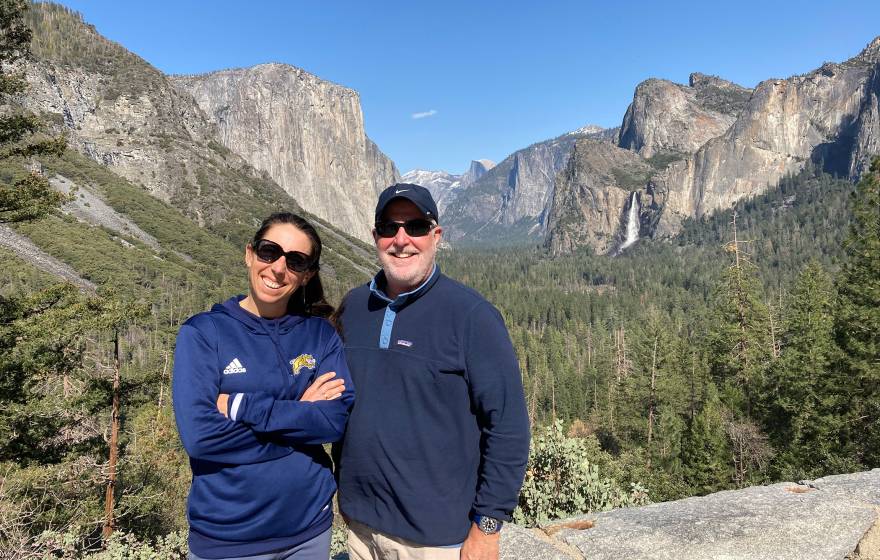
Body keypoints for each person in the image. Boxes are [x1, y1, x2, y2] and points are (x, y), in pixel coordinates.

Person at [334, 183, 530, 560]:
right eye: (389, 227)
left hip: (436, 541)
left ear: (436, 235)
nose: (401, 239)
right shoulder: (354, 308)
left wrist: (488, 527)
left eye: (416, 227)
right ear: (375, 236)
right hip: (360, 530)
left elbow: (508, 428)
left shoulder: (472, 316)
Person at [172, 212, 354, 560]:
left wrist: (244, 408)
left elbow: (333, 421)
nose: (278, 268)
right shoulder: (204, 333)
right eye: (269, 251)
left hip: (310, 530)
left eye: (296, 260)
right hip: (228, 539)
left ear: (306, 275)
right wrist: (301, 418)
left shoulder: (320, 335)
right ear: (249, 254)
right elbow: (201, 438)